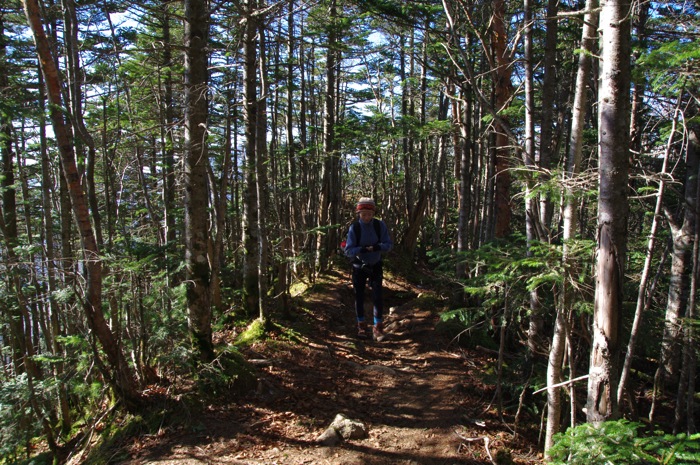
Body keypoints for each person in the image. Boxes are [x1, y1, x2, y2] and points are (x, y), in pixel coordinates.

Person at [344, 197, 393, 341]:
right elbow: (348, 250)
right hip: (359, 266)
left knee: (377, 296)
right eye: (363, 214)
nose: (366, 217)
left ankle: (378, 327)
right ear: (358, 213)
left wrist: (377, 247)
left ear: (373, 213)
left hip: (376, 264)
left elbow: (388, 244)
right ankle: (361, 325)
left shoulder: (379, 225)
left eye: (369, 214)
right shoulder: (355, 228)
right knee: (359, 295)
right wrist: (363, 250)